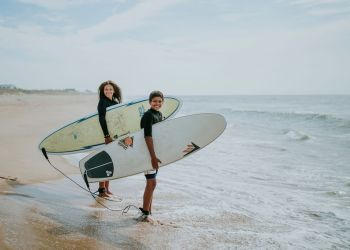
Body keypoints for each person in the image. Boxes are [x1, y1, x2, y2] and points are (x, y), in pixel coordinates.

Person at [139, 90, 164, 222]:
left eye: (160, 101)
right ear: (150, 102)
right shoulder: (148, 115)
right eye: (154, 101)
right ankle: (145, 213)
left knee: (152, 183)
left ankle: (148, 211)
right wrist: (152, 157)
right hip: (148, 153)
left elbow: (159, 136)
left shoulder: (159, 114)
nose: (157, 103)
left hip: (154, 153)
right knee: (151, 183)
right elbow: (147, 136)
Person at [97, 80, 122, 198]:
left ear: (114, 90)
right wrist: (106, 135)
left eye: (110, 89)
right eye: (106, 89)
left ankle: (107, 188)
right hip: (108, 136)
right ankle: (101, 190)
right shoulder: (102, 102)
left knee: (111, 161)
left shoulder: (115, 102)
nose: (108, 91)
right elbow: (102, 119)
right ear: (103, 91)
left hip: (114, 136)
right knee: (105, 162)